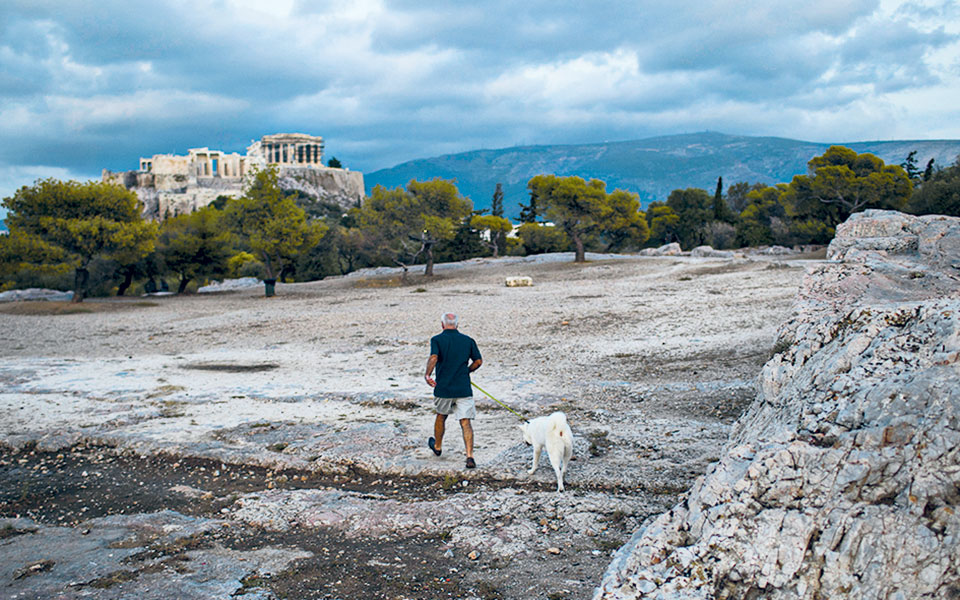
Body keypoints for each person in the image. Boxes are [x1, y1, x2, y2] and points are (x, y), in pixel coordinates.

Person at [424, 312, 483, 468]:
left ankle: (437, 446)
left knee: (441, 416)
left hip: (443, 387)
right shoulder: (468, 340)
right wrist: (467, 371)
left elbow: (434, 358)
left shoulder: (436, 340)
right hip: (463, 387)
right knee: (466, 422)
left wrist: (427, 374)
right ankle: (470, 456)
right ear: (457, 324)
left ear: (442, 324)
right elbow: (478, 361)